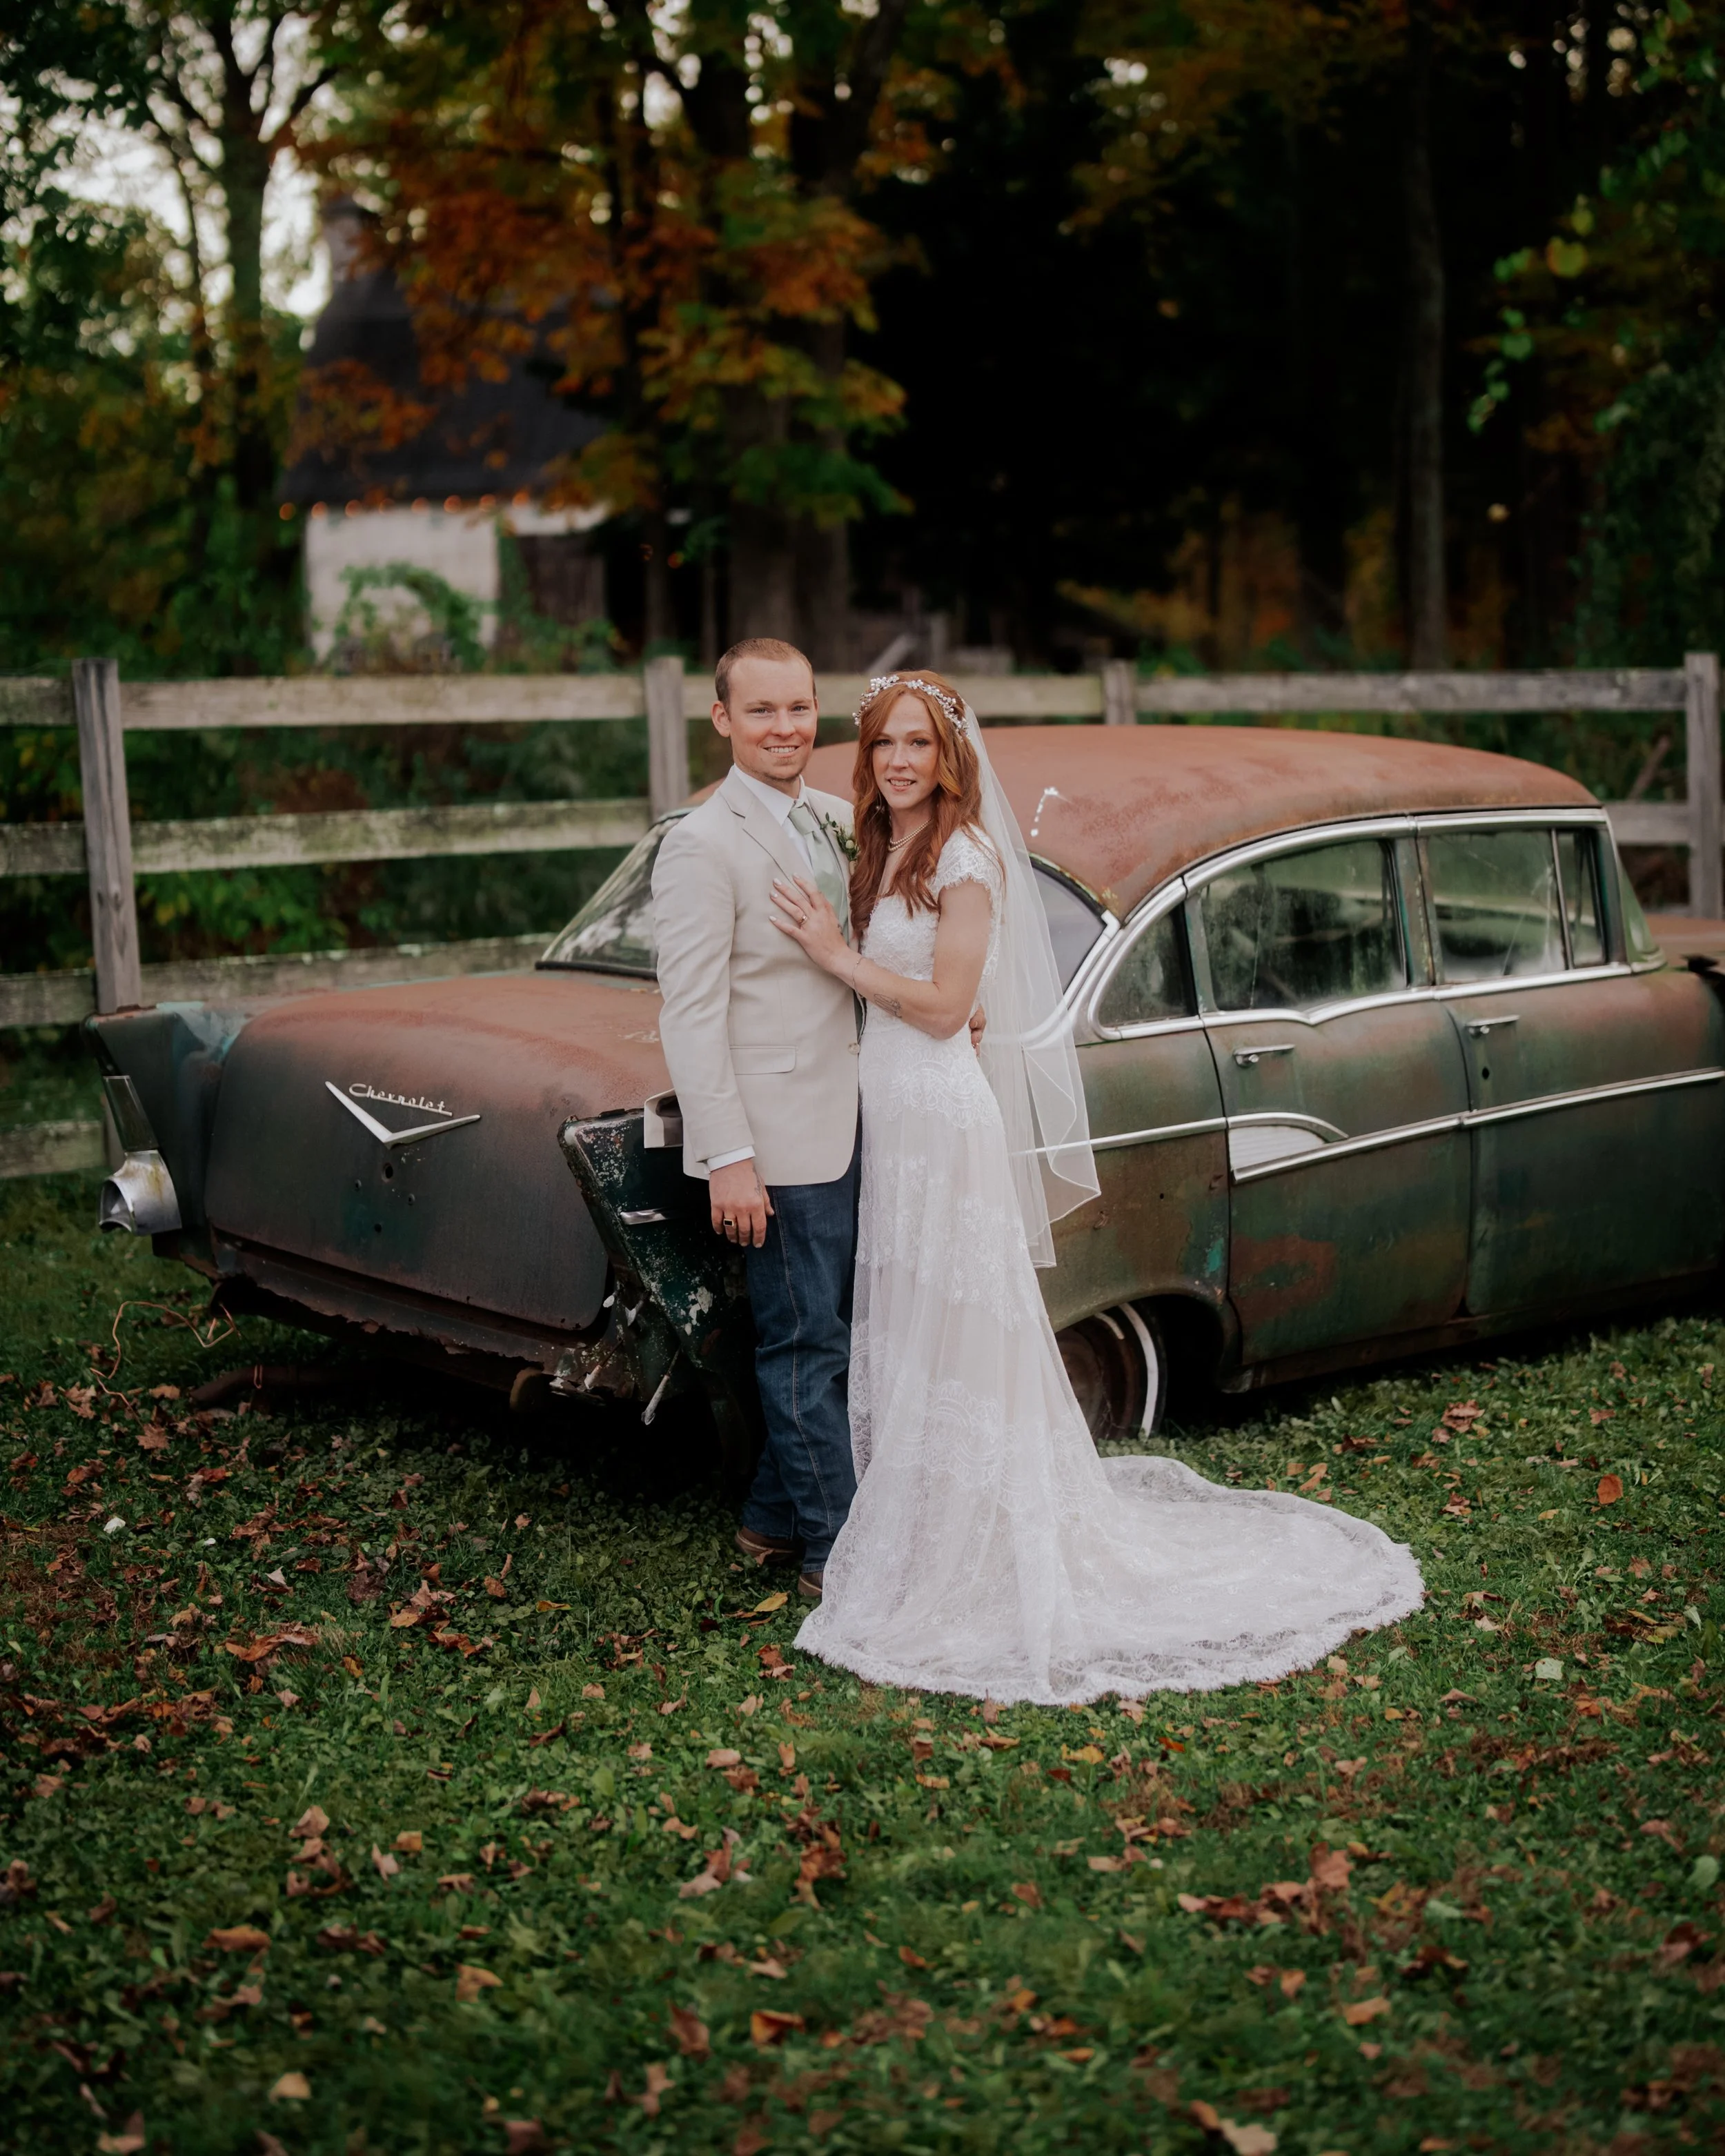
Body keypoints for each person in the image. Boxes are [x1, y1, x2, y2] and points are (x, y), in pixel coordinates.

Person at [769, 670, 1425, 1704]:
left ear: (950, 758)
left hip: (939, 1114)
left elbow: (943, 1009)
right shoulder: (880, 845)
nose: (899, 760)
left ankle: (980, 1529)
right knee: (910, 1314)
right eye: (884, 744)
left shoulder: (970, 856)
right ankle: (925, 1508)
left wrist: (829, 957)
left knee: (960, 1317)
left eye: (917, 744)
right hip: (888, 1113)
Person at [650, 638, 865, 1603]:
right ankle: (837, 1551)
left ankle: (772, 1520)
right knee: (805, 1343)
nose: (787, 728)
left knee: (830, 1331)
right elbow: (690, 1014)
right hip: (779, 1140)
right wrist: (730, 1158)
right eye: (764, 711)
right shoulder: (701, 843)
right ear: (724, 721)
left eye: (801, 708)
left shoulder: (836, 818)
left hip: (859, 1118)